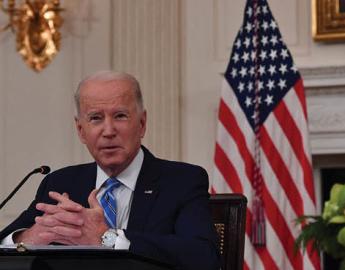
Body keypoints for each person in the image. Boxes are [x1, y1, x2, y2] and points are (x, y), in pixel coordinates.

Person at [0, 71, 220, 270]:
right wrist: (27, 238)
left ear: (142, 123)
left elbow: (203, 257)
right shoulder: (60, 183)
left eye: (120, 116)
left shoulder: (181, 181)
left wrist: (108, 238)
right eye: (95, 118)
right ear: (81, 130)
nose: (108, 131)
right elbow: (5, 242)